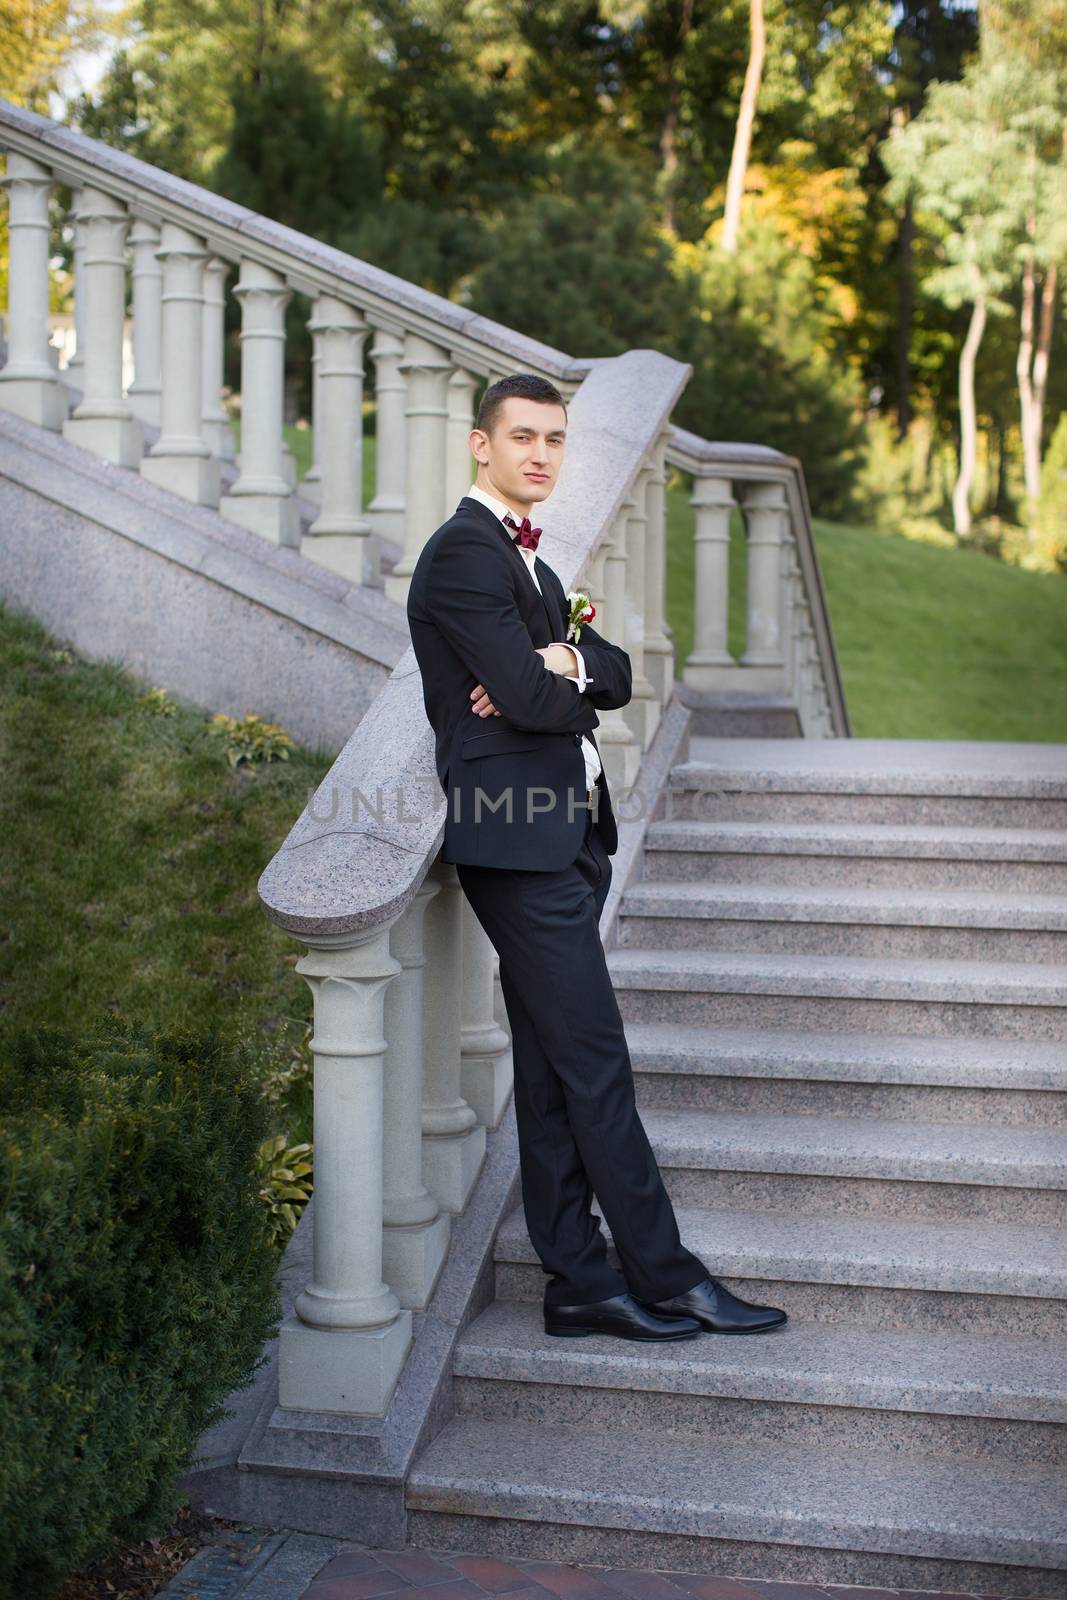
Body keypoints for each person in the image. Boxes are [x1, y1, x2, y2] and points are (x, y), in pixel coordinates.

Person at [406, 373, 787, 1342]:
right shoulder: (462, 553)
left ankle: (576, 1280)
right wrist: (551, 681)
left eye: (553, 439)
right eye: (521, 436)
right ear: (478, 445)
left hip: (560, 830)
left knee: (547, 1069)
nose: (539, 453)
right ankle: (668, 1272)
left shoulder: (528, 568)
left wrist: (561, 659)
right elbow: (533, 707)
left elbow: (612, 668)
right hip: (515, 837)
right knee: (595, 1063)